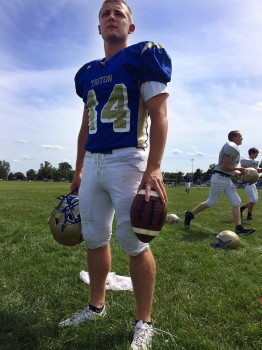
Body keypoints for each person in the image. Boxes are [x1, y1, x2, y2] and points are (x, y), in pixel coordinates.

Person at [58, 1, 172, 349]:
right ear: (98, 28)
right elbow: (84, 127)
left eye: (119, 13)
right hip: (93, 162)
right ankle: (96, 306)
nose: (111, 17)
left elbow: (159, 114)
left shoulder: (143, 55)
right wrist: (78, 168)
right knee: (93, 237)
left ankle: (144, 321)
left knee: (135, 242)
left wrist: (154, 167)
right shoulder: (87, 72)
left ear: (130, 27)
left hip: (128, 159)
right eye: (105, 13)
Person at [184, 130, 256, 236]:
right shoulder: (232, 147)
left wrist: (238, 173)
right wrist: (239, 168)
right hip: (219, 178)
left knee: (236, 201)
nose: (242, 138)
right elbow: (224, 166)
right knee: (212, 201)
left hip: (226, 178)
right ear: (234, 137)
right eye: (240, 136)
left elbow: (228, 169)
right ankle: (189, 214)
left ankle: (239, 228)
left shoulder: (234, 149)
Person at [240, 147, 262, 220]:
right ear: (252, 153)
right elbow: (244, 170)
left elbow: (256, 171)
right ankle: (249, 215)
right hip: (246, 182)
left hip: (253, 182)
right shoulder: (246, 160)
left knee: (254, 200)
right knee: (253, 200)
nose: (257, 155)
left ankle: (242, 209)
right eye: (256, 154)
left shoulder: (256, 161)